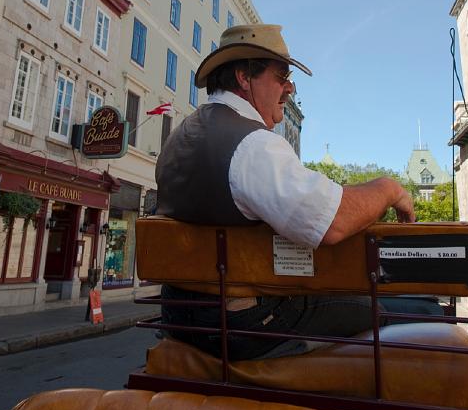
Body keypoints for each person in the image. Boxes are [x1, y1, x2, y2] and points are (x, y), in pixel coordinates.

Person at [156, 24, 417, 360]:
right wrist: (390, 188)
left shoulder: (179, 138)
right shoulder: (251, 145)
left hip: (178, 315)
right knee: (375, 309)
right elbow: (334, 221)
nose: (290, 88)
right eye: (281, 76)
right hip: (238, 322)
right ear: (244, 77)